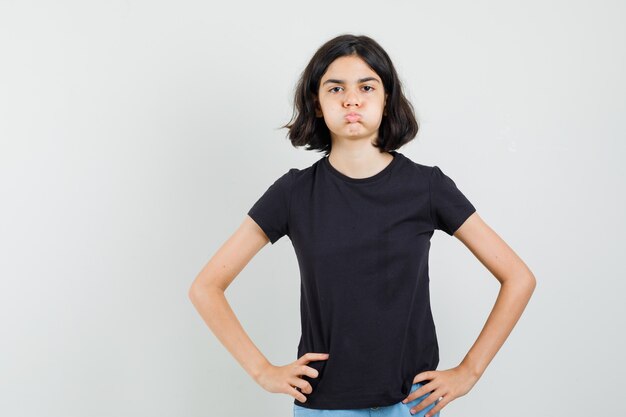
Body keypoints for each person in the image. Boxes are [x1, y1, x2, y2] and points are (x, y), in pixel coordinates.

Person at [189, 34, 536, 417]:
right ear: (317, 104)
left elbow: (518, 277)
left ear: (386, 99)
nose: (351, 99)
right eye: (335, 87)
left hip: (411, 404)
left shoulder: (427, 187)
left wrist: (470, 371)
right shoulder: (294, 193)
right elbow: (206, 287)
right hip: (323, 405)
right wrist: (261, 371)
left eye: (366, 87)